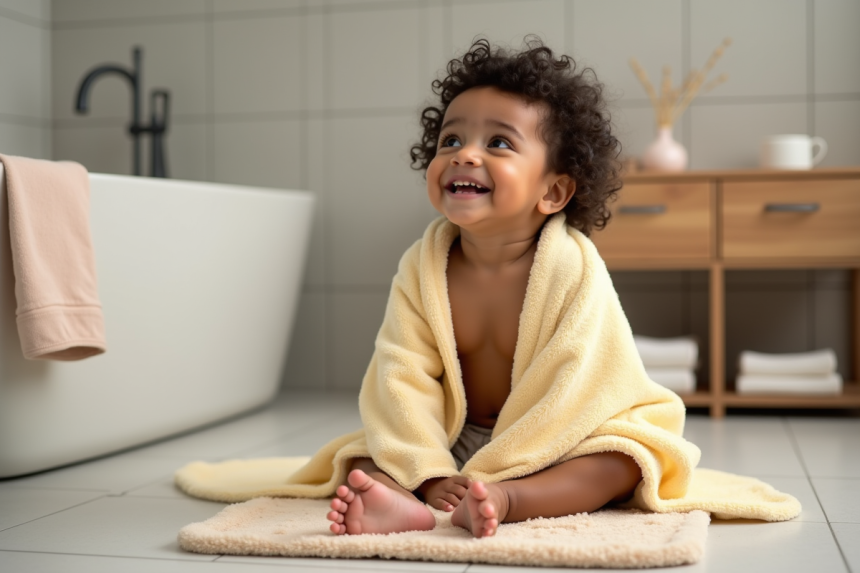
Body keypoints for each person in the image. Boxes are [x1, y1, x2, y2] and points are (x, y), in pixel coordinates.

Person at [325, 37, 645, 539]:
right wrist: (428, 471)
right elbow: (401, 375)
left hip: (552, 441)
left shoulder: (573, 269)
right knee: (361, 457)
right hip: (451, 440)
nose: (465, 155)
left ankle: (509, 498)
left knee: (624, 460)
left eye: (498, 143)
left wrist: (515, 464)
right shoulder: (424, 267)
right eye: (451, 140)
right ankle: (400, 502)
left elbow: (583, 378)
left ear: (553, 191)